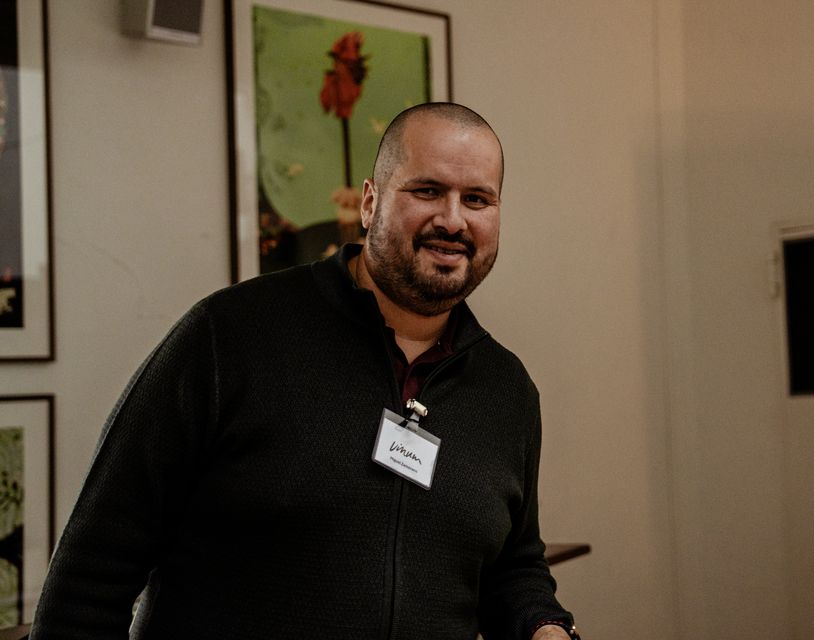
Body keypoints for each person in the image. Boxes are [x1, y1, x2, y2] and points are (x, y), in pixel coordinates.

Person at [30, 103, 579, 639]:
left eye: (477, 199)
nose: (453, 220)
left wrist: (544, 625)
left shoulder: (508, 391)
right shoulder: (229, 337)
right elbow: (92, 572)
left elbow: (513, 567)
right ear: (370, 203)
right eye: (427, 191)